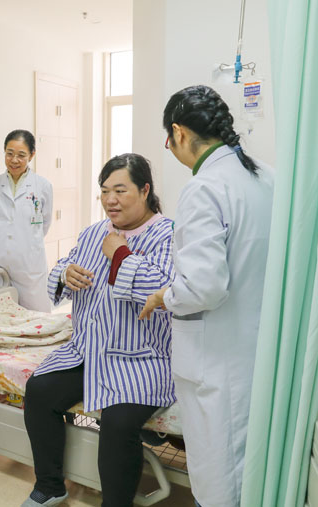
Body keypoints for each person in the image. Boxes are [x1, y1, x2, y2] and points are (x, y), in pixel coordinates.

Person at [140, 85, 275, 507]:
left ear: (178, 132)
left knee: (219, 483)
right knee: (250, 473)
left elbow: (204, 287)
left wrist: (165, 296)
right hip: (257, 352)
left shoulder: (204, 188)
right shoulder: (265, 177)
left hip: (217, 363)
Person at [22, 154, 176, 507]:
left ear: (145, 190)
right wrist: (65, 274)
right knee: (40, 391)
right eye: (104, 191)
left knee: (118, 423)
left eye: (120, 190)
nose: (110, 200)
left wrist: (121, 253)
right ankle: (50, 485)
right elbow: (63, 264)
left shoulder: (167, 235)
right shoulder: (94, 232)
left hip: (141, 358)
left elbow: (164, 291)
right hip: (88, 349)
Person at [0, 129, 53, 312]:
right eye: (9, 153)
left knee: (36, 314)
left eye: (21, 155)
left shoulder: (43, 186)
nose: (14, 160)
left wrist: (28, 241)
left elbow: (45, 223)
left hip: (29, 262)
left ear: (32, 155)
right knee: (0, 313)